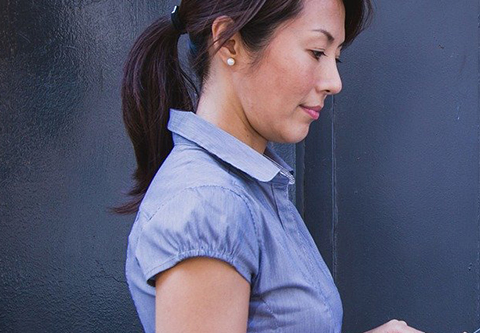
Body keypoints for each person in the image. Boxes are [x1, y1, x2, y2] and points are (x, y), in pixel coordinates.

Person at [115, 0, 424, 332]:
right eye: (317, 52)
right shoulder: (209, 204)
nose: (334, 82)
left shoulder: (247, 187)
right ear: (228, 42)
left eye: (336, 58)